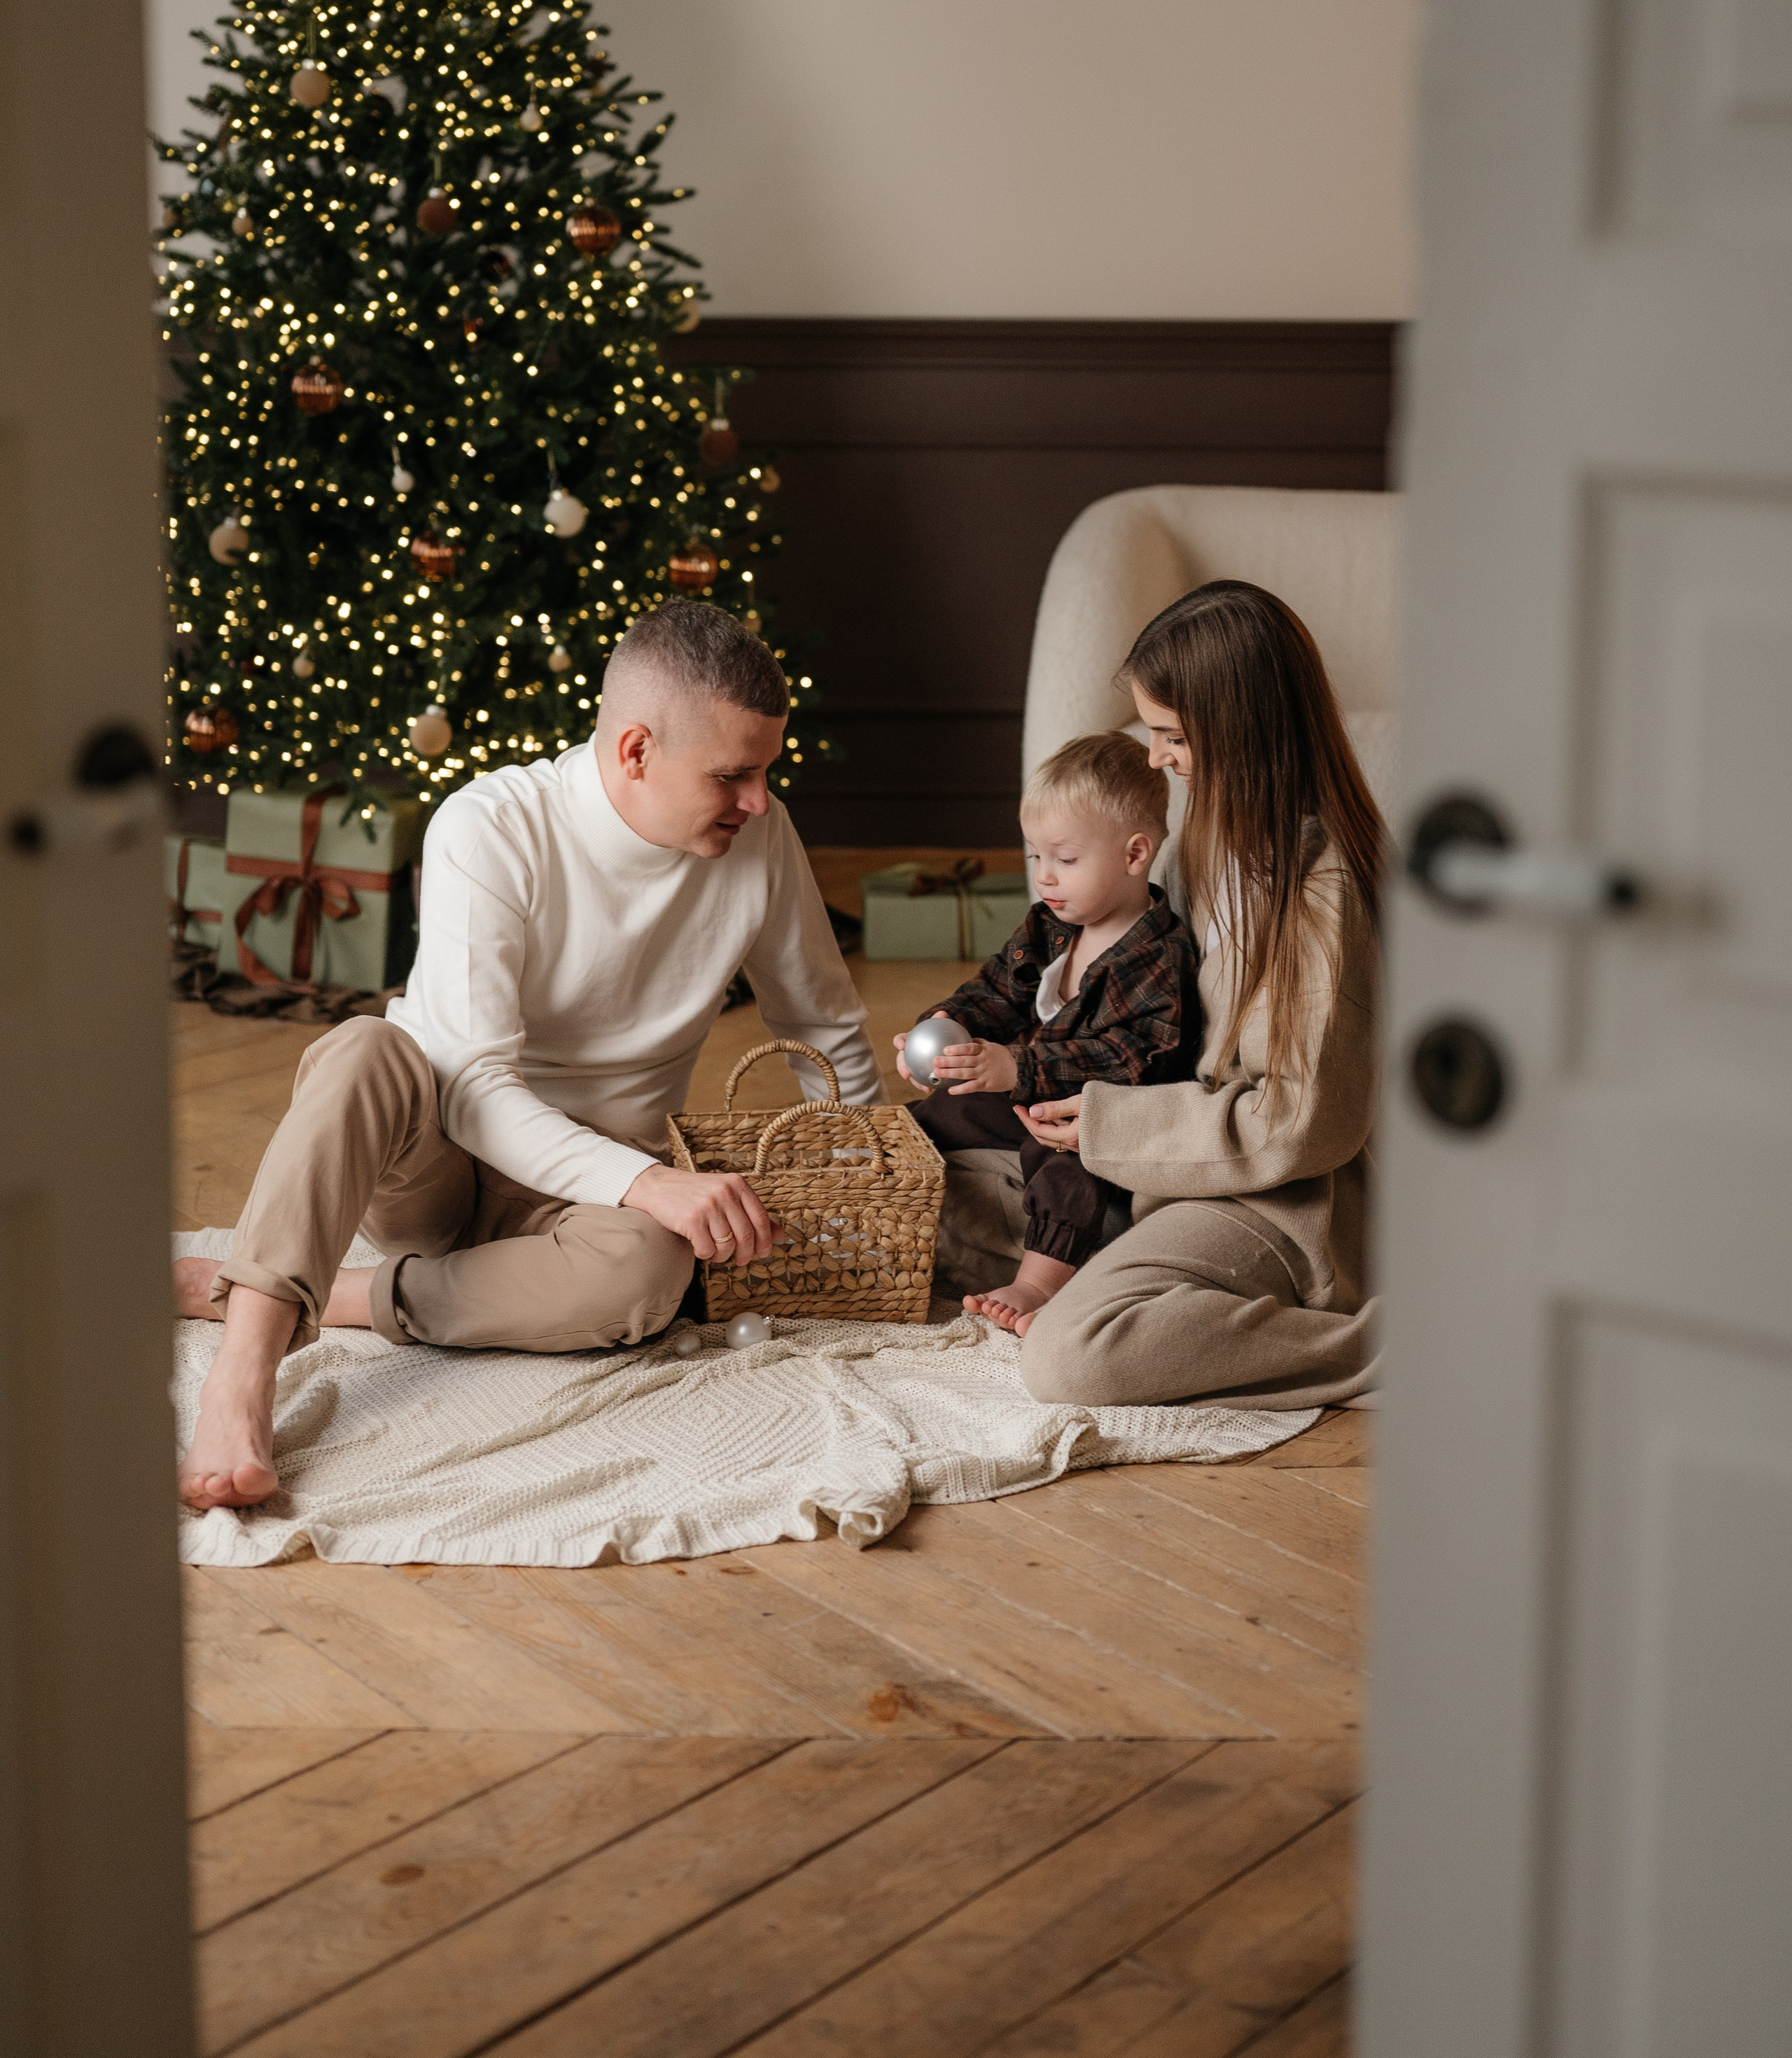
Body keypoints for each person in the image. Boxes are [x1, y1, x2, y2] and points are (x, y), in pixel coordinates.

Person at [176, 601, 882, 1511]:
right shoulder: (493, 826)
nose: (757, 800)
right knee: (363, 1049)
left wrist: (866, 1171)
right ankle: (241, 1378)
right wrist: (648, 1182)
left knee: (650, 1270)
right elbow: (470, 1089)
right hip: (436, 1159)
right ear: (635, 750)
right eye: (733, 775)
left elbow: (822, 1022)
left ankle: (345, 1293)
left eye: (766, 773)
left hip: (579, 1205)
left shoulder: (760, 835)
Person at [973, 578, 1382, 1410]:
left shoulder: (1319, 888)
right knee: (957, 1209)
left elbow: (1305, 1121)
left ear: (1239, 728)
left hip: (1283, 1199)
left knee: (1072, 1357)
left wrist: (1109, 1124)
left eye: (1170, 735)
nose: (1155, 756)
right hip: (1177, 1164)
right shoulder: (1200, 841)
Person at [895, 731, 1200, 1333]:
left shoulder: (1158, 958)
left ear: (1135, 855)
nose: (1045, 877)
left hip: (1093, 1118)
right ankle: (869, 1186)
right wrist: (944, 1026)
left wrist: (1019, 1069)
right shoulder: (1050, 927)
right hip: (1027, 1092)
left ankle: (1038, 1281)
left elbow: (1136, 1058)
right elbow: (997, 991)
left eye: (1064, 859)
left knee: (1067, 1170)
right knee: (937, 1109)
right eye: (1036, 856)